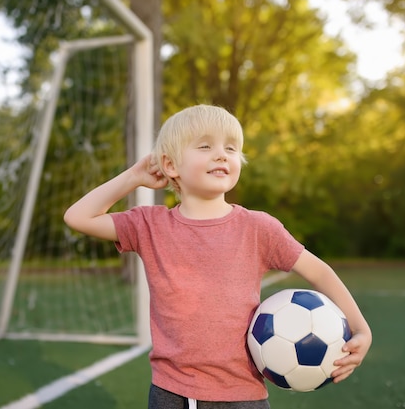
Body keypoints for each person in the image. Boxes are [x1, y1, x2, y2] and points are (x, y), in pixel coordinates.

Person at [64, 104, 372, 409]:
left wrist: (361, 329)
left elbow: (319, 272)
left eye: (231, 147)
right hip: (173, 393)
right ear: (170, 165)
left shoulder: (258, 227)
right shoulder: (149, 225)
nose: (221, 154)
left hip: (244, 395)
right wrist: (133, 176)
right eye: (205, 146)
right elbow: (79, 217)